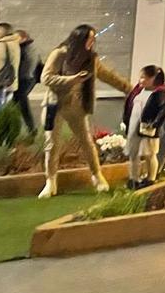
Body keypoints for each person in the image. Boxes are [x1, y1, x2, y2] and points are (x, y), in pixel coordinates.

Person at [38, 24, 132, 198]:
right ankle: (50, 181)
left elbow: (108, 75)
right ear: (80, 39)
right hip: (54, 104)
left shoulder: (91, 59)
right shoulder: (60, 54)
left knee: (86, 141)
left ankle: (97, 176)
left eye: (93, 39)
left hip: (77, 107)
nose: (92, 42)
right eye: (89, 38)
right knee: (51, 144)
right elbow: (46, 77)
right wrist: (71, 80)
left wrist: (129, 89)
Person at [123, 66, 165, 189]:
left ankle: (151, 178)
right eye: (141, 77)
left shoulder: (160, 94)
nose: (141, 80)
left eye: (144, 77)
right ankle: (133, 178)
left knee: (150, 154)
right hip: (134, 127)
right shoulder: (137, 91)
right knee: (133, 154)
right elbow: (129, 106)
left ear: (153, 79)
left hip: (148, 129)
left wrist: (155, 123)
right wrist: (126, 120)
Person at [12, 29, 41, 134]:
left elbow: (27, 66)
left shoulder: (26, 48)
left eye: (16, 38)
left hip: (26, 79)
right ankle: (26, 128)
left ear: (24, 38)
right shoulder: (27, 47)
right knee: (17, 103)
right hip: (27, 78)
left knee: (20, 103)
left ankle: (31, 128)